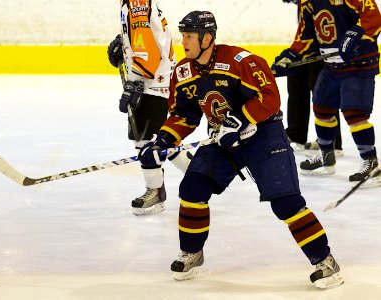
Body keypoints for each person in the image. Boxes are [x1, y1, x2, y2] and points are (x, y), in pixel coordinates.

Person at [138, 10, 344, 288]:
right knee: (192, 188)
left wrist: (239, 120)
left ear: (207, 38)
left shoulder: (240, 61)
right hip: (223, 141)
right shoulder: (183, 72)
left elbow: (269, 98)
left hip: (263, 136)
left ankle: (325, 261)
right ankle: (192, 253)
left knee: (285, 202)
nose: (183, 41)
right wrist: (163, 140)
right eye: (183, 35)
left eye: (189, 36)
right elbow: (184, 115)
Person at [271, 0, 381, 187]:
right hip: (331, 66)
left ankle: (370, 162)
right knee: (322, 108)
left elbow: (374, 18)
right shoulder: (308, 2)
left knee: (354, 114)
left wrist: (356, 34)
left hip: (358, 64)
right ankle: (326, 155)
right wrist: (290, 56)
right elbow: (305, 36)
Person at [107, 0, 192, 215]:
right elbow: (146, 35)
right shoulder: (137, 2)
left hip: (151, 81)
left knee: (145, 140)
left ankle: (155, 191)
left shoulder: (136, 2)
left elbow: (147, 49)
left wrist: (136, 81)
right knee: (162, 139)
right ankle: (200, 174)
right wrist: (123, 44)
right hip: (156, 78)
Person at [280, 0, 343, 157]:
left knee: (323, 94)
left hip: (324, 47)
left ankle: (333, 141)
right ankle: (296, 135)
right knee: (296, 86)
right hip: (304, 45)